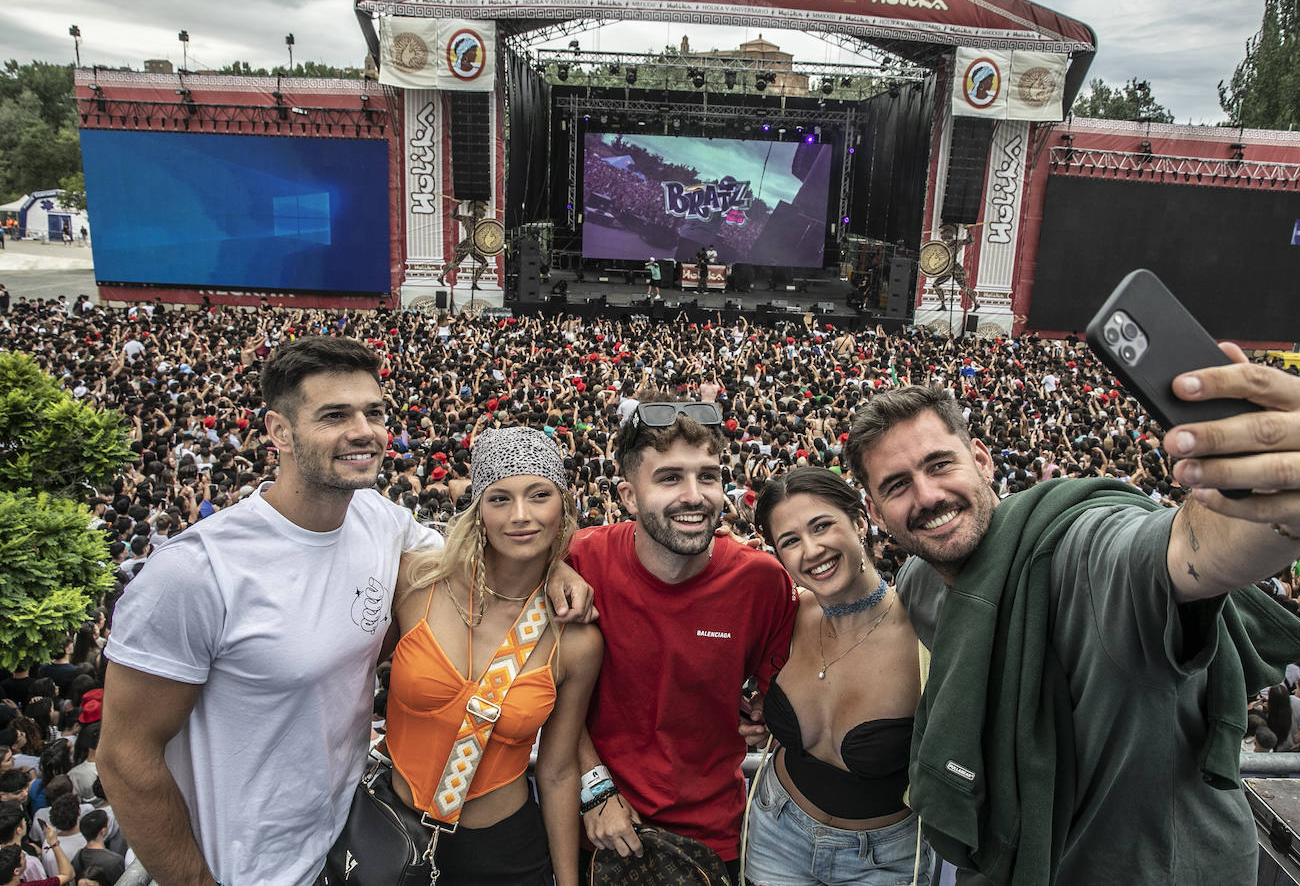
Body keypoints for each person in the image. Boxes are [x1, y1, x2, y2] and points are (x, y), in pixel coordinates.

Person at [101, 336, 595, 886]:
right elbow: (124, 756)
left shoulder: (380, 522)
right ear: (278, 432)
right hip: (248, 868)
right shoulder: (195, 572)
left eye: (373, 412)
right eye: (334, 415)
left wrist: (555, 565)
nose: (362, 430)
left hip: (354, 843)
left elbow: (494, 552)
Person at [843, 363, 1300, 885]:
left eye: (940, 464)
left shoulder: (1077, 548)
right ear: (876, 513)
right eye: (898, 485)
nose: (926, 496)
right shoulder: (919, 585)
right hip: (1006, 863)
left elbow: (1178, 553)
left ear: (982, 460)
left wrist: (1277, 501)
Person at [568, 397, 797, 882]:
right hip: (597, 827)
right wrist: (595, 789)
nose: (694, 495)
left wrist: (762, 713)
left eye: (708, 476)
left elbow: (780, 696)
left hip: (714, 837)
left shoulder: (762, 582)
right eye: (669, 478)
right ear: (628, 496)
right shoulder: (580, 561)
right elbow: (548, 693)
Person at [386, 427, 602, 885]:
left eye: (539, 495)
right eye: (500, 498)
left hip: (503, 855)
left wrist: (567, 883)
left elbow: (559, 771)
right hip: (390, 836)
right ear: (478, 509)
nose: (520, 516)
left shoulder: (576, 638)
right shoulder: (416, 584)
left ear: (563, 504)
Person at [746, 467, 929, 886]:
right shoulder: (787, 616)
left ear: (860, 520)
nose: (811, 550)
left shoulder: (924, 630)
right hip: (775, 831)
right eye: (790, 541)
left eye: (822, 526)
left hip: (886, 858)